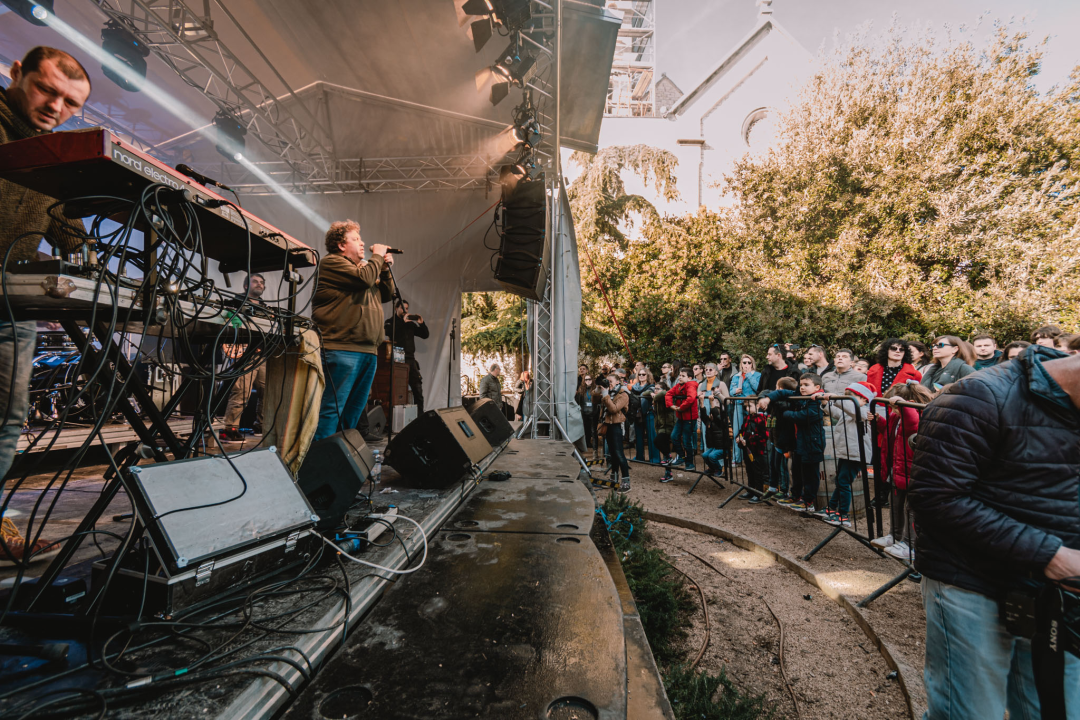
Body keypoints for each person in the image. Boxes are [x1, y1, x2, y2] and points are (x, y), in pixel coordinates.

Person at [908, 345, 1080, 720]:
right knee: (970, 713)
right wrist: (1050, 555)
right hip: (971, 583)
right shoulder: (978, 395)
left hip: (1057, 596)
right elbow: (935, 497)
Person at [0, 47, 92, 566]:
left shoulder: (50, 156)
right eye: (46, 90)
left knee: (7, 421)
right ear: (17, 73)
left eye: (71, 102)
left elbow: (72, 233)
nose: (56, 107)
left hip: (12, 307)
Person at [312, 221, 394, 442]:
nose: (363, 243)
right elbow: (364, 279)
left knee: (353, 412)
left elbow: (387, 295)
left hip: (368, 350)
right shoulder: (332, 262)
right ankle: (320, 458)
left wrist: (384, 270)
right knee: (332, 409)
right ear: (341, 245)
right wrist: (378, 256)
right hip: (341, 348)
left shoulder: (363, 269)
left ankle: (341, 455)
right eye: (356, 239)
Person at [872, 381, 934, 561]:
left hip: (912, 470)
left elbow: (912, 423)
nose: (892, 410)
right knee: (895, 503)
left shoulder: (918, 415)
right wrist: (879, 421)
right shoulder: (897, 416)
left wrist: (904, 406)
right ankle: (895, 535)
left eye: (894, 406)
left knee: (911, 508)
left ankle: (909, 544)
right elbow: (890, 433)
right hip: (898, 467)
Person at [820, 382, 876, 527]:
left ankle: (843, 515)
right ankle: (831, 508)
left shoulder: (864, 412)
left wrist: (835, 397)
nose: (847, 400)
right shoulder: (850, 411)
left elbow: (850, 408)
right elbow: (837, 412)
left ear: (864, 399)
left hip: (856, 454)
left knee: (843, 482)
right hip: (847, 452)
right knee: (840, 480)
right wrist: (826, 403)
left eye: (851, 397)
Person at [221, 273, 268, 441]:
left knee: (267, 391)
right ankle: (230, 428)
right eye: (255, 282)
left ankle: (261, 425)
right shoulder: (235, 302)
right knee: (241, 392)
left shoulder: (265, 308)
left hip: (262, 353)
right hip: (244, 352)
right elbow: (226, 322)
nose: (259, 284)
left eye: (261, 282)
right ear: (246, 286)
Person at [778, 373, 827, 512]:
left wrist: (787, 414)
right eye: (801, 385)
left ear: (817, 387)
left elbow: (805, 416)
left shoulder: (817, 400)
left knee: (810, 474)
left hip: (812, 442)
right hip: (801, 441)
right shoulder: (802, 398)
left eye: (806, 385)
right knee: (797, 470)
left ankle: (808, 501)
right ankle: (796, 495)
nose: (802, 387)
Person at [384, 300, 429, 413]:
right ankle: (395, 417)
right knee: (398, 391)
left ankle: (420, 417)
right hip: (397, 359)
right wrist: (402, 322)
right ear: (396, 308)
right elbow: (388, 332)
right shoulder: (390, 322)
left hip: (410, 359)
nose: (405, 310)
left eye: (407, 308)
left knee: (417, 389)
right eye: (402, 308)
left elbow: (425, 335)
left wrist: (421, 323)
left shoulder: (410, 324)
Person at [761, 376, 798, 501]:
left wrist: (770, 399)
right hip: (774, 437)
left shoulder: (785, 403)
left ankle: (784, 490)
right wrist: (765, 399)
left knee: (782, 467)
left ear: (781, 389)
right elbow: (765, 392)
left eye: (777, 388)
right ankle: (773, 487)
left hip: (783, 440)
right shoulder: (774, 399)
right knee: (773, 464)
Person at [599, 372, 632, 493]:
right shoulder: (608, 392)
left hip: (617, 426)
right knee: (612, 454)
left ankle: (626, 482)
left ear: (618, 382)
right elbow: (594, 397)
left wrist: (605, 395)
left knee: (619, 453)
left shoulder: (623, 394)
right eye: (607, 381)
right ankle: (614, 479)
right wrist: (599, 388)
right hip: (608, 425)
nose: (608, 383)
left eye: (610, 381)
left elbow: (613, 409)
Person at [666, 367, 699, 472]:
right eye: (679, 375)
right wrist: (671, 405)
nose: (680, 377)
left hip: (689, 418)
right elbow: (668, 394)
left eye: (683, 376)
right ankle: (682, 457)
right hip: (681, 417)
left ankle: (689, 463)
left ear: (689, 378)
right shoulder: (678, 386)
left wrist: (681, 407)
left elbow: (691, 398)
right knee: (674, 436)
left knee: (686, 441)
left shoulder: (691, 385)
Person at [729, 355, 761, 464]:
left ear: (752, 364)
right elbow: (731, 391)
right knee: (737, 431)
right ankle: (736, 458)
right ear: (741, 364)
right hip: (738, 404)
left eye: (749, 362)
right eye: (744, 362)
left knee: (752, 430)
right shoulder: (736, 376)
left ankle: (753, 458)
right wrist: (734, 391)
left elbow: (757, 388)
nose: (746, 365)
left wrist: (749, 376)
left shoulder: (757, 375)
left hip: (751, 405)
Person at [630, 368, 658, 462]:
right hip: (637, 414)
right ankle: (639, 457)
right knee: (638, 436)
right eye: (639, 374)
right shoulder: (634, 387)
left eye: (643, 374)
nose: (641, 376)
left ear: (648, 375)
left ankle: (654, 458)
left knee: (651, 436)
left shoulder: (651, 386)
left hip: (649, 412)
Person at [574, 373, 596, 451]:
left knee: (593, 430)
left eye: (589, 379)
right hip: (584, 412)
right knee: (585, 429)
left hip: (593, 412)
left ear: (592, 380)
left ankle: (595, 447)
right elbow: (578, 400)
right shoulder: (581, 389)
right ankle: (586, 444)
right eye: (586, 380)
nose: (588, 381)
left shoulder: (595, 389)